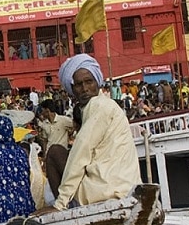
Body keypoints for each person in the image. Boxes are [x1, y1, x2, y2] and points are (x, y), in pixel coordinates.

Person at [39, 54, 141, 212]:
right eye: (79, 85)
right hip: (124, 188)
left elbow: (81, 153)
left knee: (54, 152)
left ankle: (66, 207)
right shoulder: (103, 106)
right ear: (72, 89)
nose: (85, 89)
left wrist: (60, 203)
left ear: (98, 83)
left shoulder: (98, 105)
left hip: (105, 190)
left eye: (89, 82)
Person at [38, 98, 74, 199]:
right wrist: (45, 156)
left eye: (43, 110)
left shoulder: (63, 120)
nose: (41, 113)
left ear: (47, 110)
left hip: (61, 156)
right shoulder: (45, 124)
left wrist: (70, 134)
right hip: (49, 157)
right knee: (52, 182)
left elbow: (75, 126)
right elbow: (45, 141)